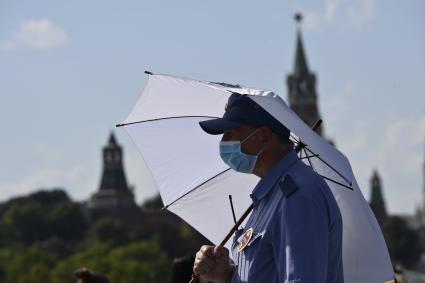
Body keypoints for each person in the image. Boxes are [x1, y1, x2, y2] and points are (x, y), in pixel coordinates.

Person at [193, 93, 344, 283]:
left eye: (232, 133)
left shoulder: (298, 195)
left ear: (263, 135)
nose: (224, 142)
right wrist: (227, 275)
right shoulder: (272, 196)